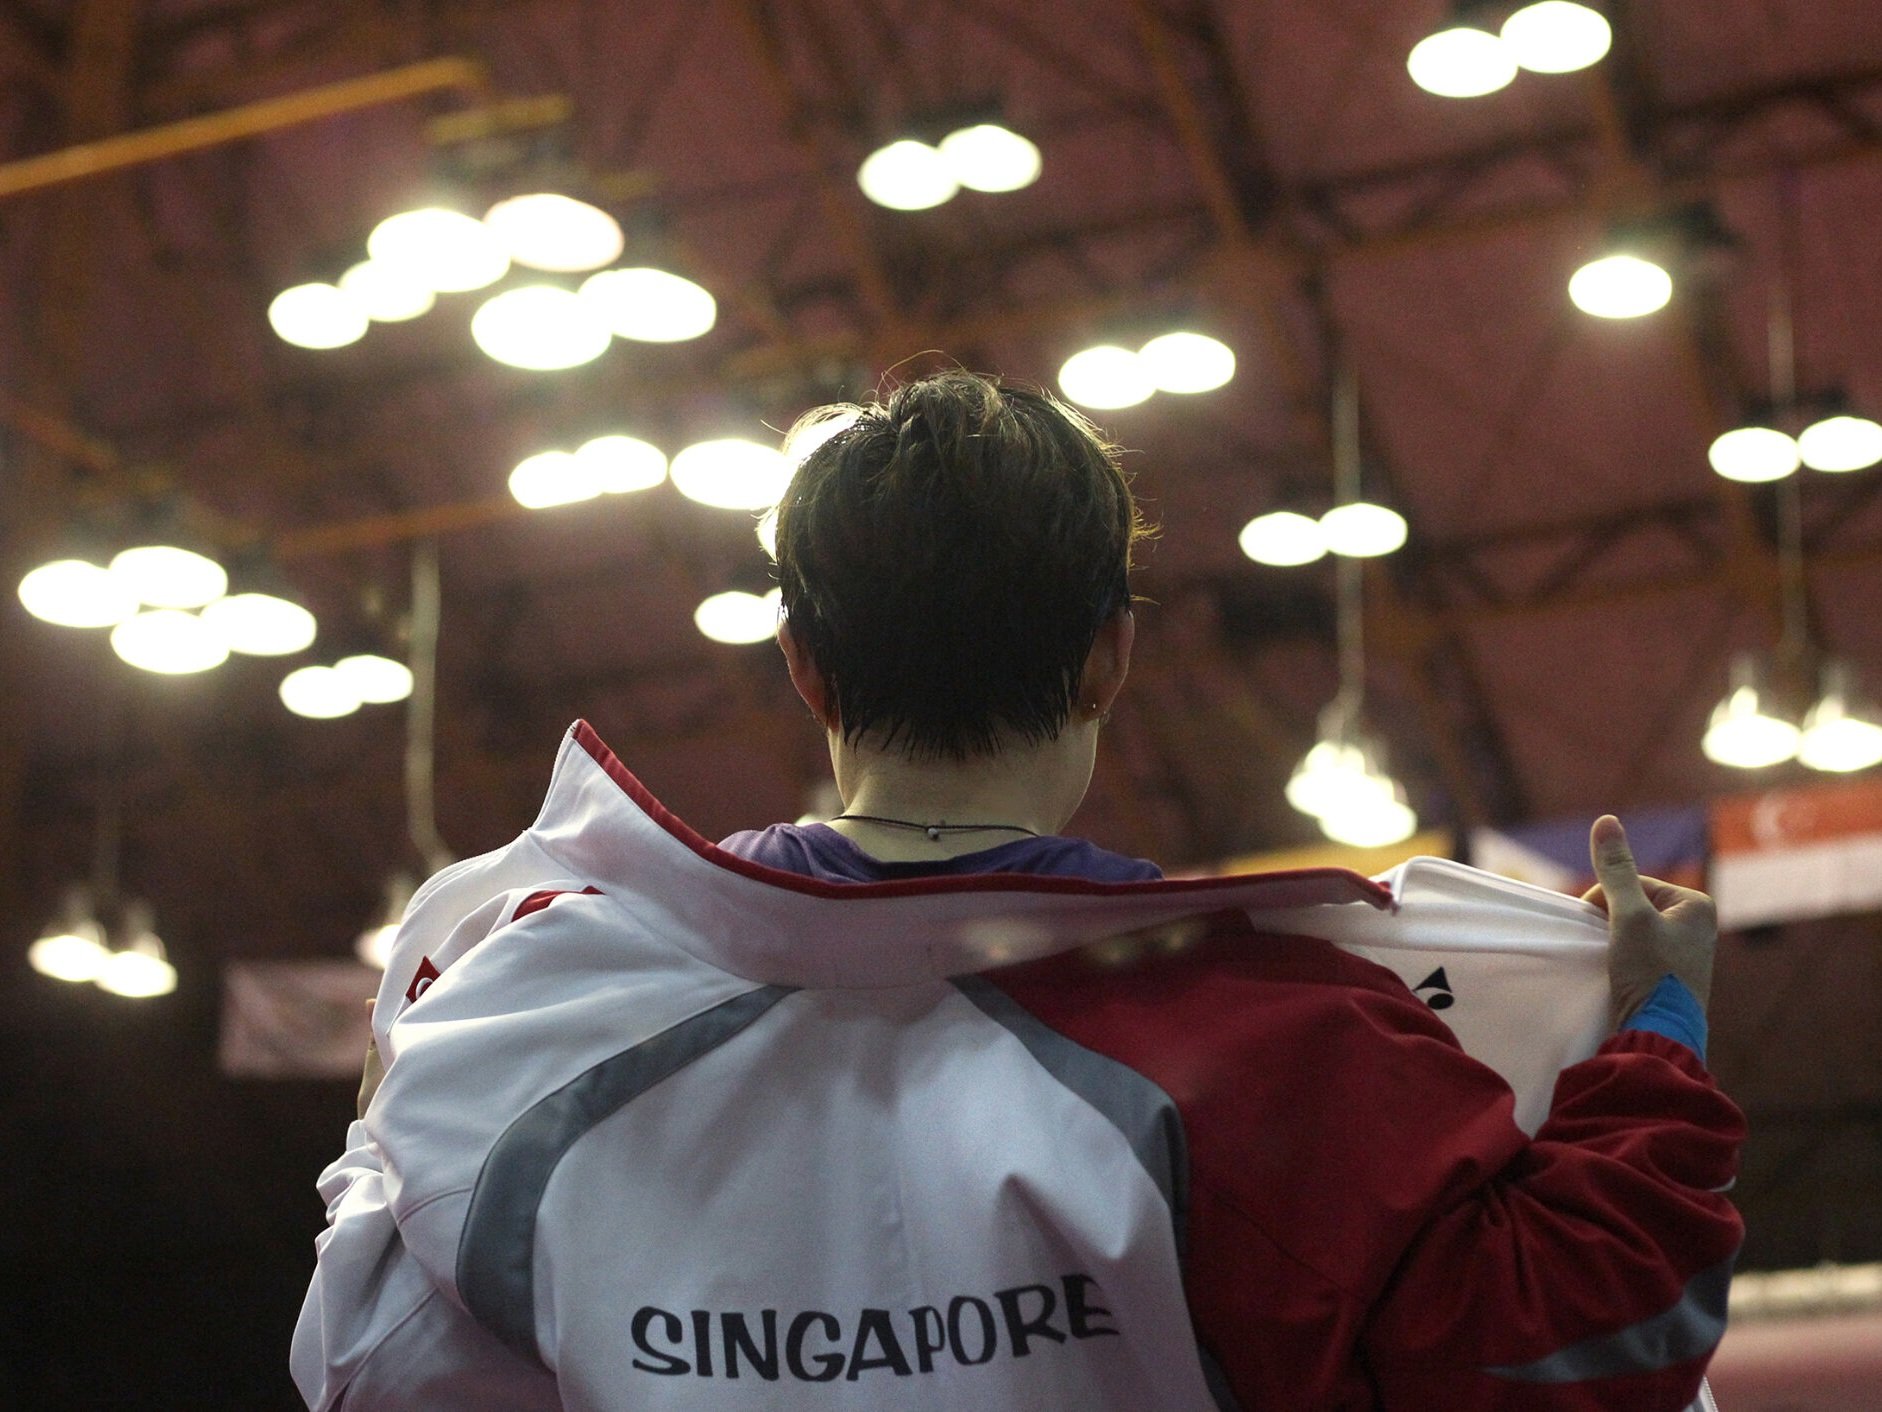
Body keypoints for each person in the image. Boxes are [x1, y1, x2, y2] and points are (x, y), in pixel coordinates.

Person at [294, 371, 1742, 1410]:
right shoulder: (1296, 1040)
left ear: (802, 662)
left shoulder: (533, 1018)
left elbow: (370, 1373)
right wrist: (1655, 1026)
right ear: (1111, 655)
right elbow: (1575, 1356)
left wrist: (391, 1114)